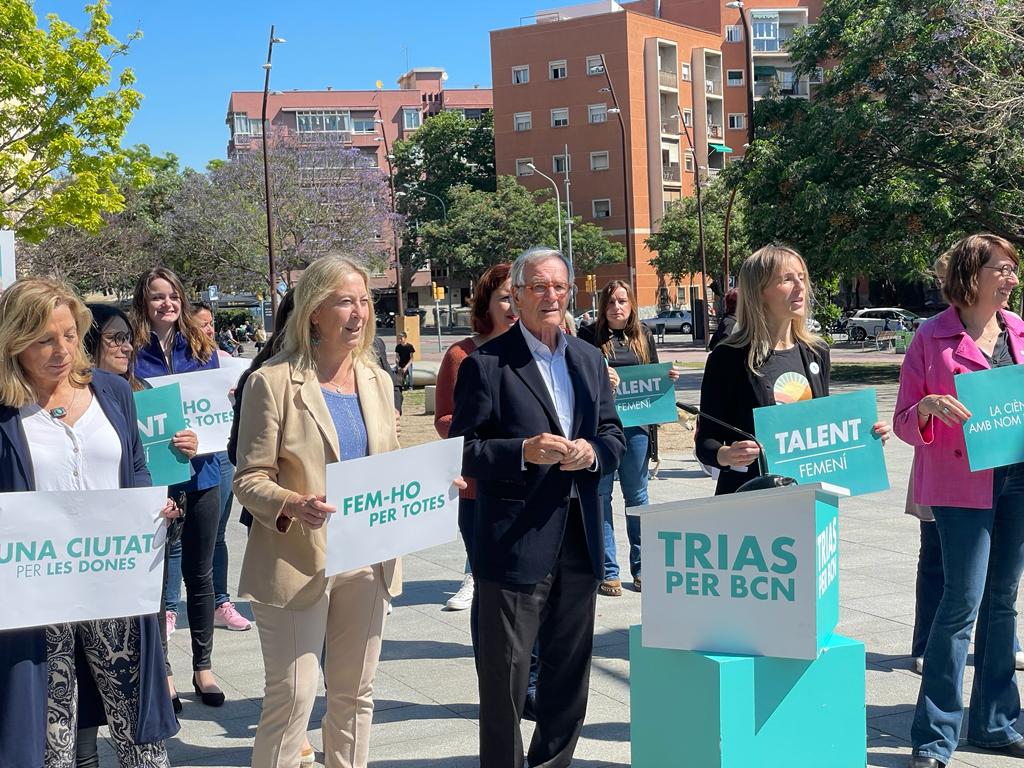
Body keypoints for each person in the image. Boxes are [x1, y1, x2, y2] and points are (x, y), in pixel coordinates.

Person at [234, 256, 462, 768]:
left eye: (363, 302)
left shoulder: (378, 380)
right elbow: (248, 480)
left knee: (355, 695)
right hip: (297, 560)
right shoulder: (270, 383)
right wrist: (293, 503)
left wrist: (435, 482)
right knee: (292, 698)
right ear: (314, 311)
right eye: (345, 301)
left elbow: (384, 465)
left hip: (367, 557)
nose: (358, 313)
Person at [450, 247, 625, 768]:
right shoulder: (486, 364)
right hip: (514, 542)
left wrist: (593, 452)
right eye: (540, 288)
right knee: (505, 677)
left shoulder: (589, 358)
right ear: (518, 297)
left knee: (568, 673)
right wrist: (522, 452)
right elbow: (462, 451)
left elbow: (613, 434)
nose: (552, 297)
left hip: (580, 535)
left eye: (561, 288)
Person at [0, 279, 179, 767]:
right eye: (43, 339)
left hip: (114, 581)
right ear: (13, 340)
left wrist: (156, 508)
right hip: (37, 594)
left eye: (70, 335)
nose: (62, 350)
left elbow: (137, 467)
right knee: (49, 735)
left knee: (139, 730)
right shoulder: (4, 410)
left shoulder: (113, 391)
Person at [894, 234, 1024, 768]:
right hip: (959, 485)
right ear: (973, 274)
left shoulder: (1019, 331)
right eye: (1003, 267)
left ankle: (996, 724)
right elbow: (904, 420)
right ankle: (934, 737)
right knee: (960, 605)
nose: (1013, 275)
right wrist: (927, 406)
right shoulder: (932, 336)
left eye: (1015, 267)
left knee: (1002, 603)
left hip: (1016, 479)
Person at [695, 245, 890, 495]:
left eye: (802, 277)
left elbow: (822, 430)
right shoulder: (728, 357)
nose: (800, 287)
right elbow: (706, 443)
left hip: (808, 497)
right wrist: (727, 455)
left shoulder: (816, 351)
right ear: (759, 292)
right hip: (749, 498)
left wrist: (864, 438)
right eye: (787, 279)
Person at [131, 267, 226, 709]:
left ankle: (203, 666)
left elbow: (216, 411)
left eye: (172, 296)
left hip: (205, 473)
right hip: (157, 480)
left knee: (200, 573)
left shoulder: (204, 348)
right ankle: (163, 672)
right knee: (157, 576)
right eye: (156, 297)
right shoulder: (131, 353)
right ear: (143, 302)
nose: (166, 303)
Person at [579, 280, 680, 596]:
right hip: (601, 430)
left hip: (636, 429)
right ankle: (608, 571)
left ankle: (643, 569)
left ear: (632, 304)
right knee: (601, 496)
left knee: (637, 498)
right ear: (602, 306)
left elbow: (651, 376)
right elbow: (578, 380)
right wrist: (599, 376)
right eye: (610, 303)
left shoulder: (644, 336)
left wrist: (668, 377)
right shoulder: (588, 337)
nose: (617, 308)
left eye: (622, 301)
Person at [434, 262, 516, 617]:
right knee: (489, 581)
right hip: (478, 485)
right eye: (503, 299)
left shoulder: (540, 352)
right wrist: (499, 434)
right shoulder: (461, 355)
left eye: (518, 297)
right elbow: (444, 420)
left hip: (527, 481)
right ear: (485, 304)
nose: (512, 307)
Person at [189, 303, 252, 631]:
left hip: (218, 458)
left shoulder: (228, 363)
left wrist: (238, 396)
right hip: (185, 458)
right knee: (175, 541)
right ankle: (170, 608)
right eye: (203, 324)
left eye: (212, 324)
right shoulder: (178, 365)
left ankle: (221, 602)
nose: (210, 330)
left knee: (217, 536)